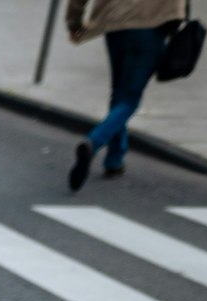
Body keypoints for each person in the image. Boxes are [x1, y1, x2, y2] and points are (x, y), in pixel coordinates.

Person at [65, 0, 184, 190]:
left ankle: (114, 161)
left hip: (115, 24)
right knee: (130, 98)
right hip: (150, 26)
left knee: (119, 92)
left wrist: (74, 24)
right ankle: (93, 143)